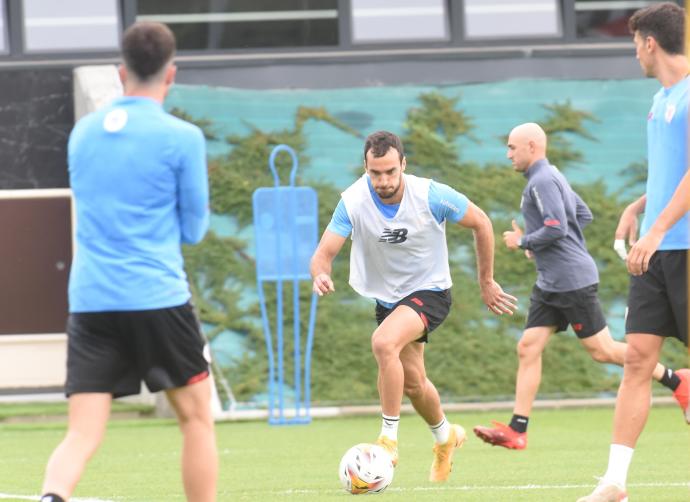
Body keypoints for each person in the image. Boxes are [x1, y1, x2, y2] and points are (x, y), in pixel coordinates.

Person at [40, 22, 217, 502]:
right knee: (197, 420)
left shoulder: (82, 134)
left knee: (82, 434)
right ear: (171, 73)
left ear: (121, 72)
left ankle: (52, 496)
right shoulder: (183, 137)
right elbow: (195, 229)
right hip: (158, 297)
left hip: (92, 301)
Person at [310, 130, 517, 482]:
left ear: (403, 164)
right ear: (366, 168)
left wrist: (486, 282)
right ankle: (445, 437)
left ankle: (388, 439)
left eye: (391, 171)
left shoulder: (431, 195)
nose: (384, 180)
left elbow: (481, 222)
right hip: (389, 299)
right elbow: (322, 255)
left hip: (430, 291)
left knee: (382, 342)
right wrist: (320, 274)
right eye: (376, 173)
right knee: (414, 383)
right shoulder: (353, 201)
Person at [472, 123, 688, 453]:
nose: (508, 154)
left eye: (513, 147)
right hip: (551, 282)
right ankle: (518, 429)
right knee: (528, 346)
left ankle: (677, 381)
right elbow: (581, 215)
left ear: (532, 146)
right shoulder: (550, 176)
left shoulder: (542, 180)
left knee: (602, 351)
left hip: (571, 281)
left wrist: (524, 240)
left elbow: (557, 227)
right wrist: (542, 245)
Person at [578, 3, 689, 501]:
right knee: (638, 361)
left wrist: (656, 230)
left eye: (633, 45)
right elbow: (673, 169)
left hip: (680, 247)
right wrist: (638, 206)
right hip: (657, 251)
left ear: (649, 42)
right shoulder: (660, 99)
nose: (634, 55)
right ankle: (614, 484)